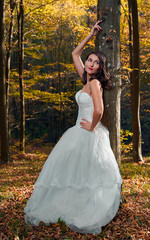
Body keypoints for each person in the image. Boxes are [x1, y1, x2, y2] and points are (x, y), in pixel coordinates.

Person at [24, 20, 122, 235]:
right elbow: (74, 54)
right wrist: (90, 33)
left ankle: (88, 208)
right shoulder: (85, 79)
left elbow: (99, 110)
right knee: (74, 172)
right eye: (90, 60)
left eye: (96, 62)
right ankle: (71, 204)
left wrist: (92, 127)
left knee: (88, 173)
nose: (90, 64)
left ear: (100, 67)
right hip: (78, 131)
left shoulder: (95, 83)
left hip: (87, 132)